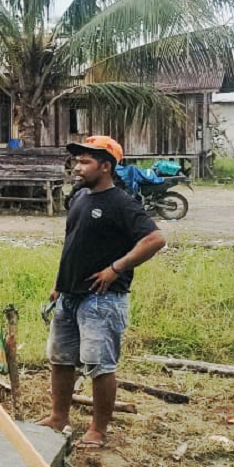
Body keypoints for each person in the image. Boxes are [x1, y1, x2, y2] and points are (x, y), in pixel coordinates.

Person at [39, 135, 166, 449]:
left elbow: (155, 240)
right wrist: (58, 283)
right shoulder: (80, 197)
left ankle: (98, 429)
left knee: (99, 365)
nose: (78, 168)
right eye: (77, 161)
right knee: (60, 359)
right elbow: (72, 244)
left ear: (106, 166)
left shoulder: (122, 203)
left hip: (102, 299)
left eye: (85, 162)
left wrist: (117, 267)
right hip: (69, 294)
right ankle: (59, 417)